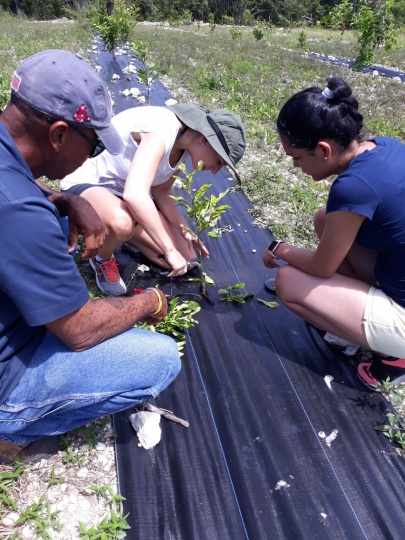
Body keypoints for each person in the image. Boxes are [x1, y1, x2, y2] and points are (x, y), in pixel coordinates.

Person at [0, 50, 181, 464]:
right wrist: (147, 301)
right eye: (95, 144)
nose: (95, 154)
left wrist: (62, 198)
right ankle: (11, 426)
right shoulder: (19, 212)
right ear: (60, 135)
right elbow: (79, 332)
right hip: (6, 377)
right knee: (159, 359)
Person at [262, 76, 405, 389]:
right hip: (396, 274)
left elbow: (320, 267)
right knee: (325, 219)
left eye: (297, 158)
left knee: (288, 282)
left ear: (324, 150)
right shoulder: (386, 147)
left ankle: (394, 357)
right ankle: (363, 313)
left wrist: (279, 248)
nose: (297, 166)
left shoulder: (352, 186)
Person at [60, 103, 246, 295]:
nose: (216, 170)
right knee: (123, 224)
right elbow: (135, 195)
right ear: (204, 140)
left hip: (123, 195)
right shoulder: (163, 130)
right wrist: (169, 250)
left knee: (188, 258)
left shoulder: (184, 146)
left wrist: (185, 230)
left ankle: (122, 232)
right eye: (219, 162)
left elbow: (162, 191)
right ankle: (102, 258)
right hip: (90, 183)